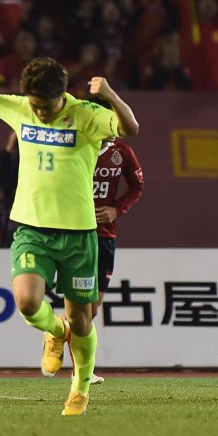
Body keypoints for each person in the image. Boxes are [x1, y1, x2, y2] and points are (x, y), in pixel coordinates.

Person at [0, 57, 139, 416]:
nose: (41, 113)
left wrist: (109, 93)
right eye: (35, 105)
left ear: (62, 95)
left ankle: (79, 389)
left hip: (80, 234)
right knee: (27, 302)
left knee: (83, 319)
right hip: (32, 229)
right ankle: (54, 330)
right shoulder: (20, 108)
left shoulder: (85, 115)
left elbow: (131, 127)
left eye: (46, 106)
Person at [82, 116, 144, 384]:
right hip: (76, 235)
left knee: (93, 309)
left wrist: (115, 209)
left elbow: (137, 186)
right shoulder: (79, 146)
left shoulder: (122, 152)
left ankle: (62, 333)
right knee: (80, 305)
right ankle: (81, 370)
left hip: (105, 236)